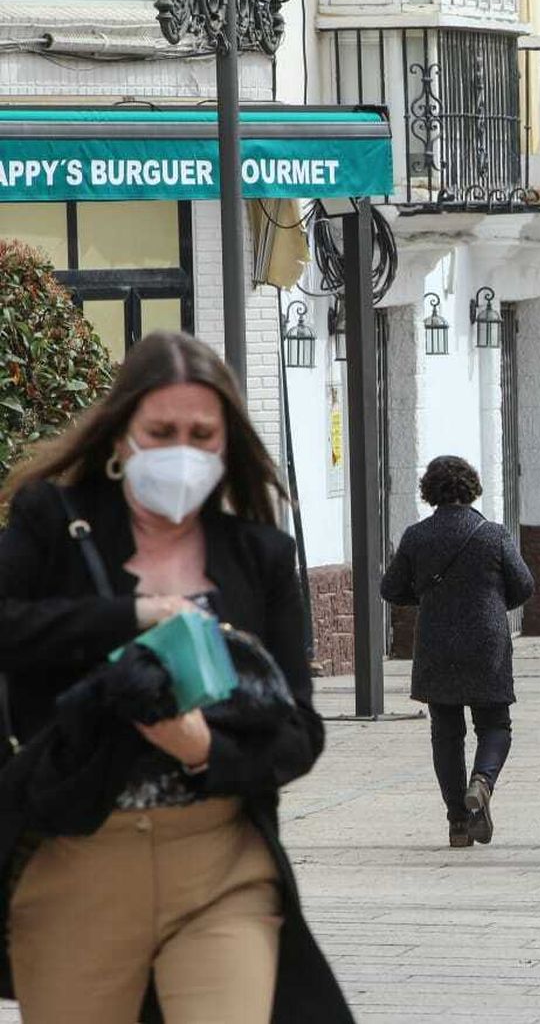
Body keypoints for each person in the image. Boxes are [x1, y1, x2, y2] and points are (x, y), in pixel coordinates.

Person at [0, 332, 350, 1020]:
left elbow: (299, 730)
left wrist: (203, 749)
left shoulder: (261, 556)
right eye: (160, 431)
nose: (180, 451)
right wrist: (130, 615)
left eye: (200, 434)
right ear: (119, 436)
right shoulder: (52, 523)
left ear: (226, 445)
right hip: (75, 860)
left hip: (221, 864)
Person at [382, 456, 535, 848]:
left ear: (429, 490)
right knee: (495, 725)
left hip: (435, 643)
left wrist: (427, 595)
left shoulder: (417, 536)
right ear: (472, 487)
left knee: (446, 733)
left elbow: (390, 589)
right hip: (487, 643)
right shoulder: (493, 534)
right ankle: (482, 781)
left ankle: (457, 823)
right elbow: (524, 585)